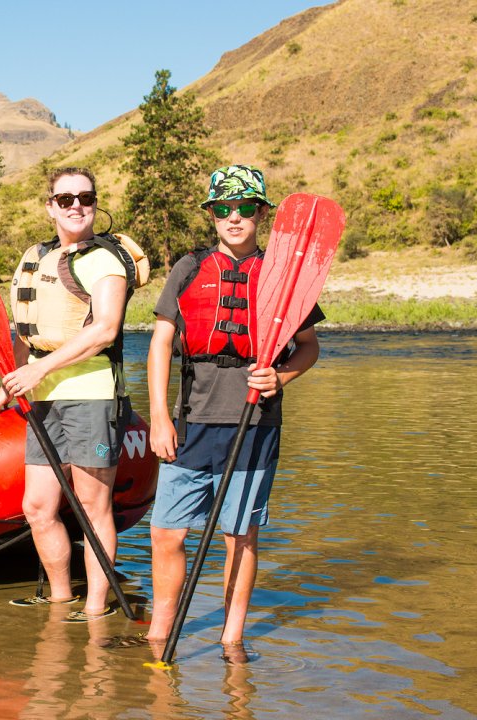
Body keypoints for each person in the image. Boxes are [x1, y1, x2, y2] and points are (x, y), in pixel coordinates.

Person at [144, 164, 323, 658]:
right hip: (192, 422)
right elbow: (160, 344)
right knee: (165, 531)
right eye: (224, 209)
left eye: (246, 207)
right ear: (212, 215)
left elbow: (308, 347)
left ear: (262, 213)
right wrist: (159, 416)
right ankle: (160, 632)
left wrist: (281, 376)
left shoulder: (284, 278)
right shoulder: (188, 267)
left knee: (239, 535)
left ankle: (232, 640)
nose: (235, 217)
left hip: (255, 425)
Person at [0, 166, 140, 623]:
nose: (77, 205)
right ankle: (59, 598)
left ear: (95, 204)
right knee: (37, 506)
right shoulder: (33, 256)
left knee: (93, 505)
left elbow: (105, 329)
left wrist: (41, 369)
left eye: (86, 198)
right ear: (50, 205)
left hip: (92, 394)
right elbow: (24, 328)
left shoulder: (104, 260)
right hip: (43, 394)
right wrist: (12, 378)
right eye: (66, 198)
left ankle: (95, 607)